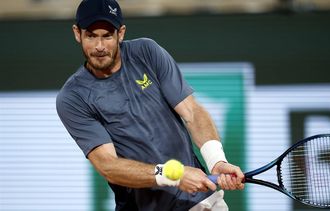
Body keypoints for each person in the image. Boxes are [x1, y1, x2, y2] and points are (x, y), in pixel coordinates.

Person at [56, 0, 244, 210]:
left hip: (200, 201)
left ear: (121, 33)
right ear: (77, 33)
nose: (99, 47)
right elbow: (108, 166)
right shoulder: (73, 97)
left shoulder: (147, 52)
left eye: (107, 36)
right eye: (91, 36)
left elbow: (192, 112)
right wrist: (173, 175)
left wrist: (216, 161)